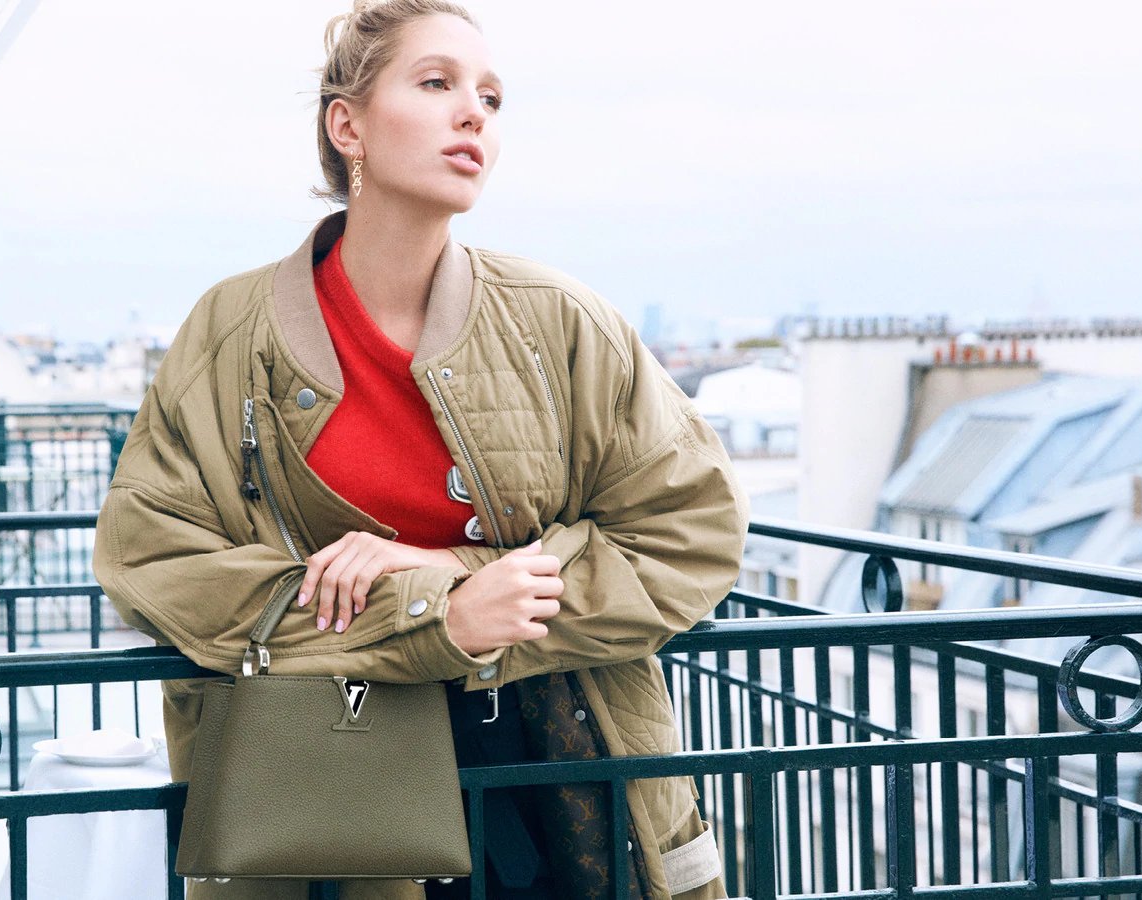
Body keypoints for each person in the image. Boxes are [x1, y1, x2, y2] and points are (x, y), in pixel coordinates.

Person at [92, 1, 749, 897]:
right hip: (315, 795)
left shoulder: (556, 319)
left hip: (550, 780)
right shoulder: (232, 331)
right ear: (346, 124)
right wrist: (430, 615)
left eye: (490, 96)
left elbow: (691, 532)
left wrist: (449, 571)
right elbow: (150, 557)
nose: (474, 112)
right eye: (436, 83)